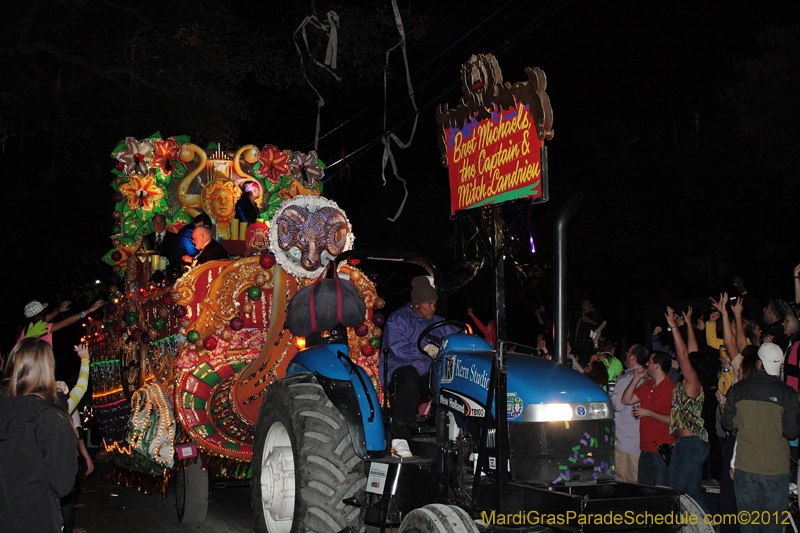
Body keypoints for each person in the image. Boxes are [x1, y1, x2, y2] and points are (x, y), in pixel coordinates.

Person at [0, 338, 78, 533]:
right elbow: (63, 485)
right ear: (47, 369)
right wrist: (58, 400)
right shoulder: (50, 416)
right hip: (37, 520)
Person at [722, 343, 800, 533]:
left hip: (746, 468)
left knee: (748, 527)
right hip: (775, 469)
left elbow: (728, 424)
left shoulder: (739, 390)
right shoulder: (788, 393)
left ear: (758, 363)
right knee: (772, 528)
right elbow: (792, 432)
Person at [381, 275, 457, 441]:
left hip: (427, 371)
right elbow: (397, 347)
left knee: (452, 378)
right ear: (416, 304)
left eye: (435, 304)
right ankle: (400, 432)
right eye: (428, 304)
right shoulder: (398, 319)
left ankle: (454, 429)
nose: (432, 308)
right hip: (400, 367)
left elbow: (456, 336)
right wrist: (424, 348)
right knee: (409, 379)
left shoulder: (439, 323)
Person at [666, 306, 710, 512]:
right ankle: (709, 526)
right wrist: (689, 325)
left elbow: (684, 355)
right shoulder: (691, 382)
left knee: (676, 490)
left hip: (690, 444)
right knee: (691, 492)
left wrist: (674, 327)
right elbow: (691, 353)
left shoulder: (692, 382)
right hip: (691, 443)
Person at [621, 349, 676, 487]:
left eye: (650, 362)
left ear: (657, 366)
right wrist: (636, 379)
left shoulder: (672, 388)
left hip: (662, 449)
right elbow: (626, 400)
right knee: (644, 489)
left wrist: (649, 413)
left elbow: (673, 420)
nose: (646, 364)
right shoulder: (647, 384)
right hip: (645, 447)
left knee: (660, 490)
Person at [611, 343, 649, 483]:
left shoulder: (626, 379)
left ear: (632, 357)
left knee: (624, 483)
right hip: (640, 442)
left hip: (625, 442)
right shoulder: (649, 379)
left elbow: (617, 405)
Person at [20, 299, 104, 344]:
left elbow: (47, 317)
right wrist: (89, 310)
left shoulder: (24, 330)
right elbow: (67, 322)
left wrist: (59, 310)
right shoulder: (42, 328)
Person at [573, 298, 605, 365]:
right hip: (579, 345)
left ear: (591, 305)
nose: (584, 305)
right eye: (583, 303)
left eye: (586, 303)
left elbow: (601, 325)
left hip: (588, 345)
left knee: (587, 363)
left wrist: (590, 321)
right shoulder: (580, 315)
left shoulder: (594, 314)